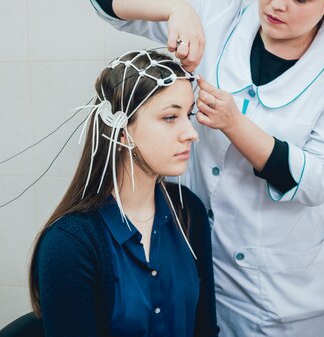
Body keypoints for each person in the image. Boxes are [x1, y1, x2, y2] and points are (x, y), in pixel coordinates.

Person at [89, 0, 324, 336]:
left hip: (286, 297)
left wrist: (234, 125)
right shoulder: (218, 14)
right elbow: (105, 5)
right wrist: (176, 9)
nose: (278, 4)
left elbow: (320, 178)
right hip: (197, 272)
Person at [28, 50, 220, 337]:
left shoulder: (188, 211)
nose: (191, 133)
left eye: (188, 115)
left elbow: (205, 329)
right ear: (121, 132)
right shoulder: (69, 244)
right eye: (170, 117)